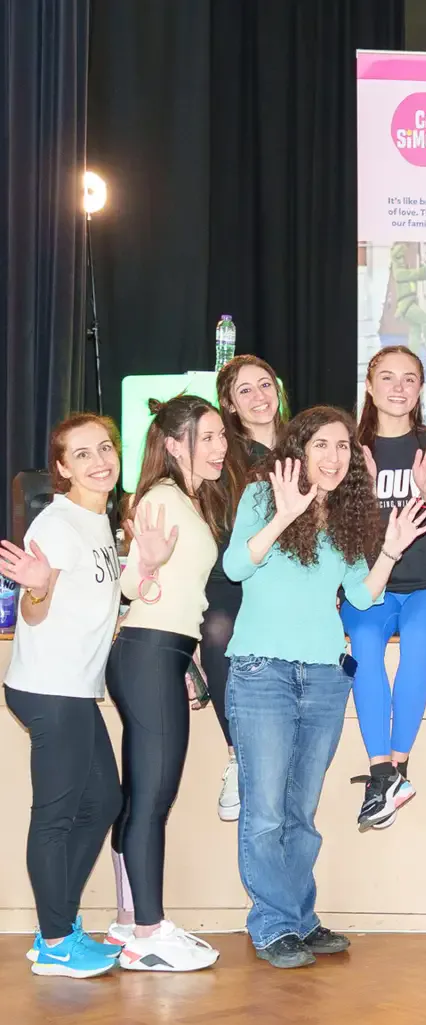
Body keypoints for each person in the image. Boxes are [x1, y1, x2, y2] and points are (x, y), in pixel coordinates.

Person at [224, 406, 426, 968]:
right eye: (321, 445)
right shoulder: (264, 496)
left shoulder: (345, 517)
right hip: (261, 671)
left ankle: (299, 918)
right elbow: (235, 567)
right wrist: (284, 515)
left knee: (301, 810)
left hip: (322, 674)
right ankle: (272, 924)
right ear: (299, 448)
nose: (334, 457)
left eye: (343, 447)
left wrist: (389, 549)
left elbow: (362, 598)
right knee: (265, 811)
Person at [103, 396, 230, 971]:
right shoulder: (160, 499)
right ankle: (150, 931)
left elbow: (179, 598)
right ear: (175, 444)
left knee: (142, 797)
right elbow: (131, 587)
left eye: (221, 436)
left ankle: (130, 923)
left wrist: (184, 664)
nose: (220, 446)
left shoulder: (185, 499)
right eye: (208, 437)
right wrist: (144, 563)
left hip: (163, 654)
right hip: (148, 652)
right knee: (153, 798)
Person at [3, 415, 125, 979]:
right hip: (51, 690)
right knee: (54, 819)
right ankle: (55, 941)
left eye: (104, 448)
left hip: (74, 688)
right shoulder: (55, 526)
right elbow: (37, 606)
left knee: (103, 802)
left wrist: (139, 572)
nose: (99, 461)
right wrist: (38, 587)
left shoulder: (98, 519)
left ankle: (58, 923)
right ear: (61, 469)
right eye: (82, 455)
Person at [344, 346, 426, 830]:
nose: (397, 387)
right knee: (365, 645)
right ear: (369, 387)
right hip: (370, 586)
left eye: (408, 378)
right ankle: (381, 775)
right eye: (386, 378)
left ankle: (398, 767)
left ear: (419, 389)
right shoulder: (349, 448)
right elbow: (337, 533)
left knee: (417, 640)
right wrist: (366, 491)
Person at [205, 354, 285, 822]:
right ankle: (238, 757)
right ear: (230, 405)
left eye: (265, 384)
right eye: (244, 391)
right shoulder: (222, 454)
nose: (258, 397)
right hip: (233, 572)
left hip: (292, 576)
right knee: (217, 630)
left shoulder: (305, 443)